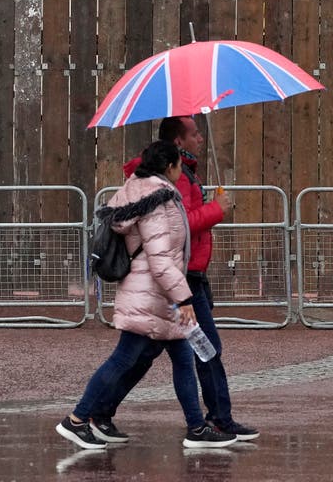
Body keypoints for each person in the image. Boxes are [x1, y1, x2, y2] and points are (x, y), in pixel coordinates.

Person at [56, 140, 237, 451]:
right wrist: (184, 298)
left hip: (153, 296)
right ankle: (76, 419)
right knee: (123, 359)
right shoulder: (158, 199)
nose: (182, 172)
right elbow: (161, 258)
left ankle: (195, 426)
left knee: (181, 359)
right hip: (153, 297)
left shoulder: (139, 190)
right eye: (179, 165)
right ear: (169, 167)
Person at [89, 116, 259, 443]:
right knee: (202, 349)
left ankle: (100, 412)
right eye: (195, 134)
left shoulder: (183, 173)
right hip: (181, 280)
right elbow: (175, 228)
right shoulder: (172, 179)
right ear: (178, 144)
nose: (201, 139)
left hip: (182, 277)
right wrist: (217, 210)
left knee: (146, 356)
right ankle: (213, 421)